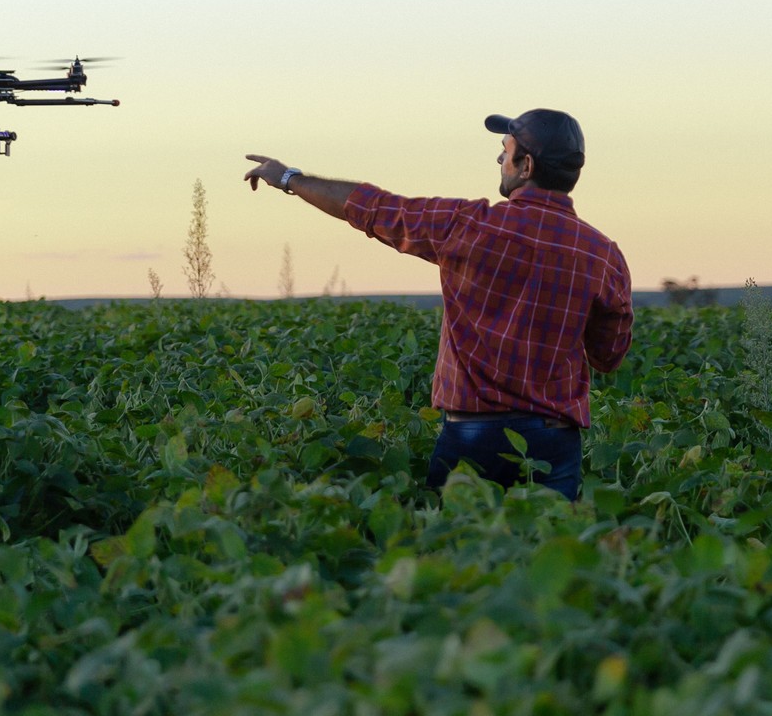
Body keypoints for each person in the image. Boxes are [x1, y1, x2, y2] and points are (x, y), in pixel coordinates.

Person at [242, 108, 632, 500]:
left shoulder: (466, 225)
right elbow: (607, 357)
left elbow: (371, 207)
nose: (500, 159)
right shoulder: (604, 256)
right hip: (553, 442)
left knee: (454, 552)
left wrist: (289, 178)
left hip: (473, 436)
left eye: (505, 150)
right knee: (550, 551)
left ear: (526, 165)